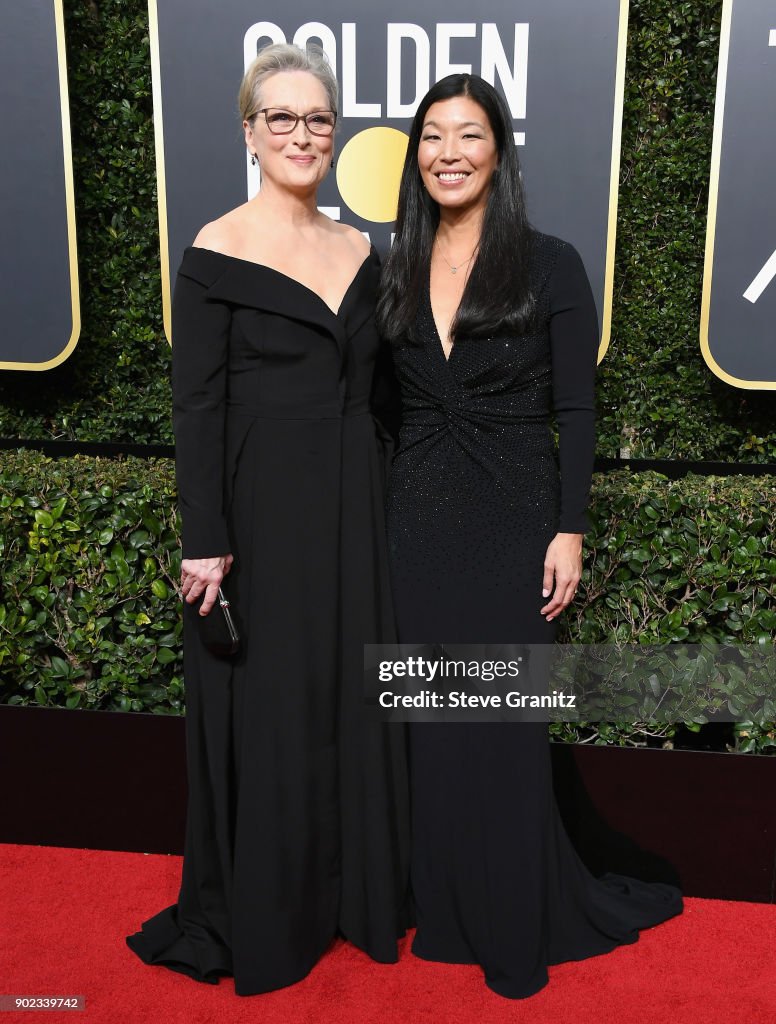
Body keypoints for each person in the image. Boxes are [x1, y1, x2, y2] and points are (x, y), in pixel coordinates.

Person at [376, 73, 682, 999]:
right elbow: (377, 407)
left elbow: (578, 409)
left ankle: (513, 919)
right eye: (431, 136)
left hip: (512, 519)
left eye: (468, 135)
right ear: (414, 154)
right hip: (414, 519)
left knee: (503, 726)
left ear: (499, 152)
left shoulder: (551, 263)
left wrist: (569, 529)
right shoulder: (388, 266)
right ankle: (444, 906)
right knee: (429, 723)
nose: (448, 153)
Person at [126, 43, 410, 995]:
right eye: (281, 118)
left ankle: (351, 893)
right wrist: (204, 535)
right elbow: (196, 405)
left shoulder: (363, 250)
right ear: (250, 133)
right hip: (262, 514)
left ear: (338, 133)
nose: (302, 134)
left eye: (318, 118)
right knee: (279, 707)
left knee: (347, 697)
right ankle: (274, 907)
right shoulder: (214, 247)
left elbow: (386, 397)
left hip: (354, 509)